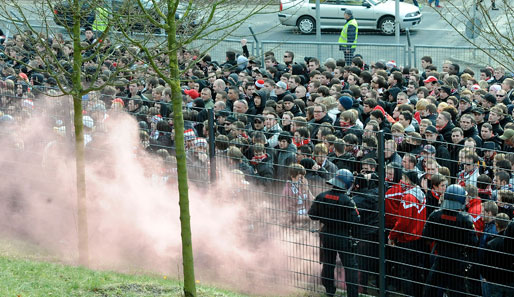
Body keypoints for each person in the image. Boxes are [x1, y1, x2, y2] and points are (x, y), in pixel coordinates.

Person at [308, 169, 360, 297]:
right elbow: (356, 220)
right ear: (348, 183)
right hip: (343, 236)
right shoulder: (347, 201)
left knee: (328, 263)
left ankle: (329, 291)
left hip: (326, 234)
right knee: (350, 266)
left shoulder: (322, 196)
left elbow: (312, 215)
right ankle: (352, 294)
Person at [422, 184, 479, 297]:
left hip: (440, 257)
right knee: (458, 290)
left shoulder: (435, 215)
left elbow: (426, 236)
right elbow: (474, 242)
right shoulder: (465, 219)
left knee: (431, 288)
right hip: (458, 259)